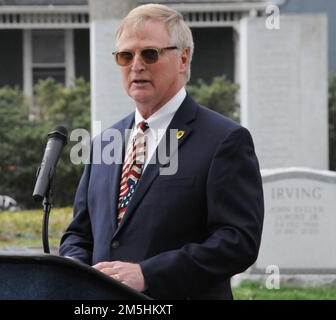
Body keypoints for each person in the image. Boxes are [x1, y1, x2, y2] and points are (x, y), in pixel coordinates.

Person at [59, 3, 264, 299]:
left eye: (150, 54)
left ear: (183, 58)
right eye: (125, 55)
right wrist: (76, 271)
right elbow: (79, 233)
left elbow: (238, 241)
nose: (136, 65)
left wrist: (147, 274)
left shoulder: (225, 140)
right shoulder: (105, 142)